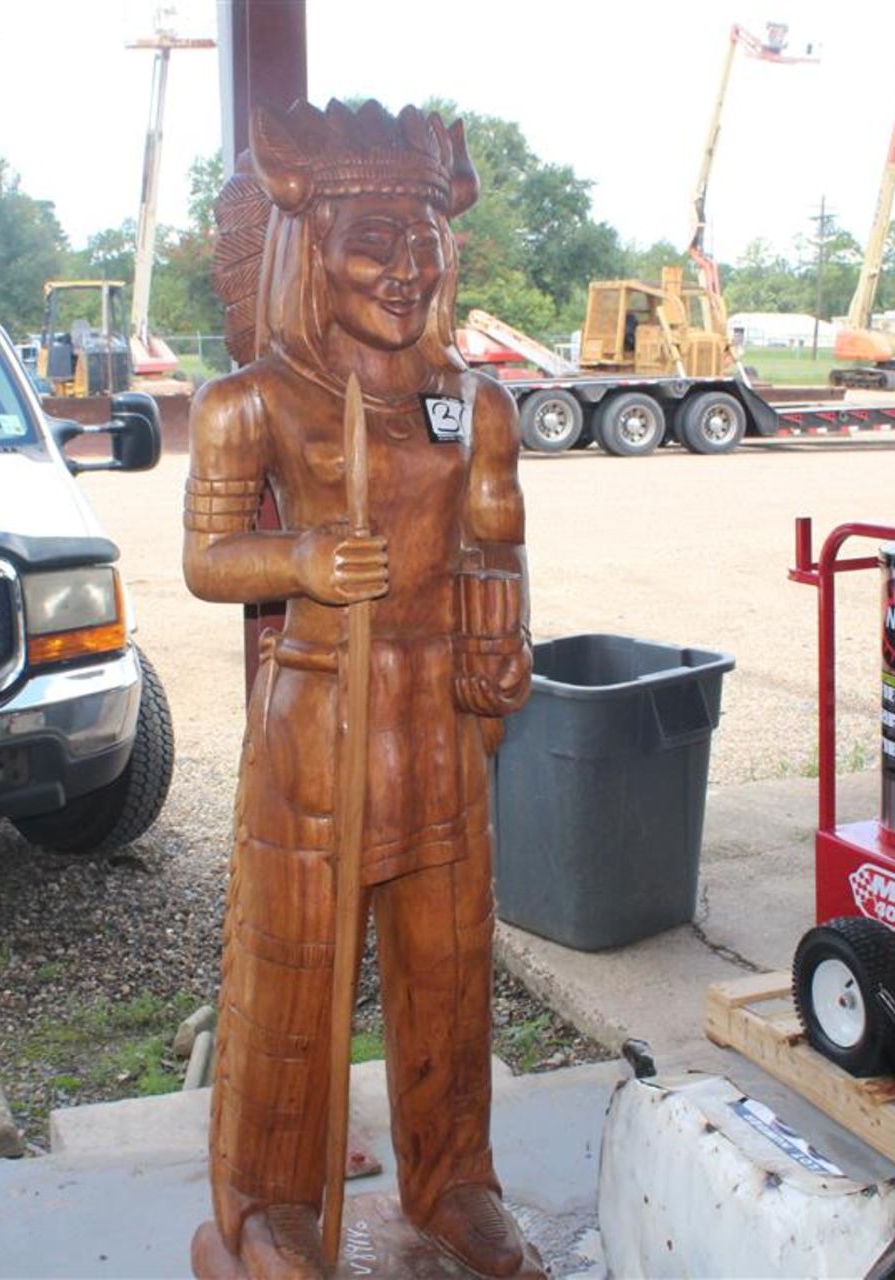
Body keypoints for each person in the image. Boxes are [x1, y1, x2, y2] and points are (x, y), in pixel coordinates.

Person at [183, 100, 533, 1279]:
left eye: (424, 242)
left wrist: (503, 643)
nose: (406, 268)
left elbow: (496, 548)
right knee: (292, 976)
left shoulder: (475, 405)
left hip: (441, 720)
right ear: (307, 247)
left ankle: (454, 1181)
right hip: (319, 720)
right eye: (374, 240)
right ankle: (267, 1204)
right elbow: (206, 556)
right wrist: (300, 558)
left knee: (449, 970)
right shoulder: (251, 402)